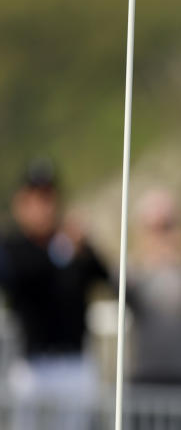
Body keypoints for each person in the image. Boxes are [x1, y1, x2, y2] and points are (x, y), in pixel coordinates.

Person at [0, 160, 111, 430]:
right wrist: (60, 251)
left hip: (75, 366)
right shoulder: (14, 246)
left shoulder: (73, 243)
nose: (44, 206)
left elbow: (105, 277)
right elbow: (17, 278)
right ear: (22, 203)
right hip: (33, 368)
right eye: (36, 198)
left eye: (48, 197)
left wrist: (84, 245)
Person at [126, 188, 181, 430]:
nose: (161, 233)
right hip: (144, 380)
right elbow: (120, 285)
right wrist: (146, 252)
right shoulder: (135, 269)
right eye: (155, 227)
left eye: (167, 225)